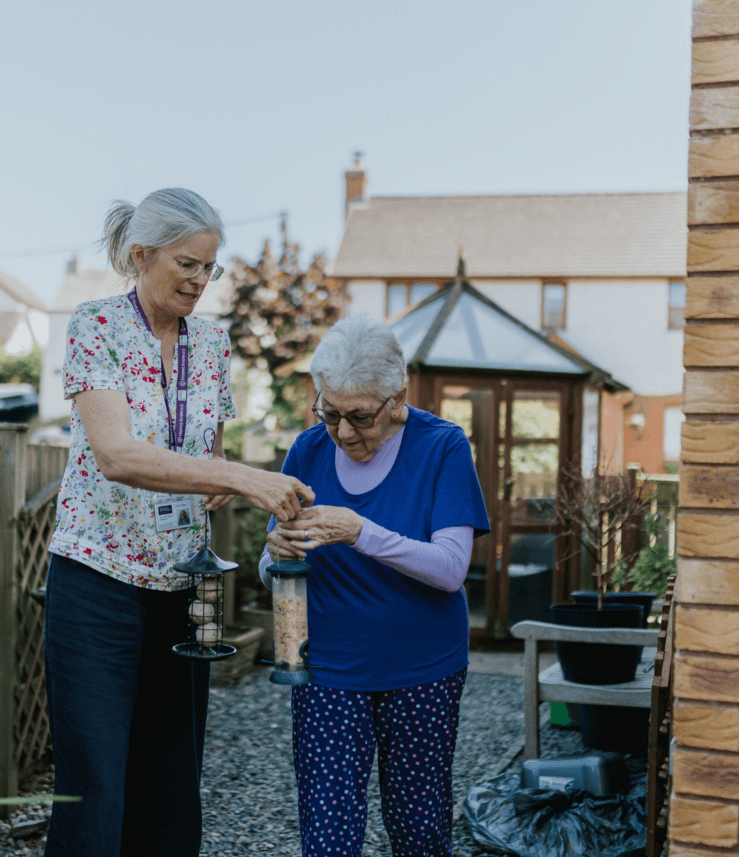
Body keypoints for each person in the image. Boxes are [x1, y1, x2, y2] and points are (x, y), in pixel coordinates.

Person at [44, 188, 314, 857]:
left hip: (182, 593)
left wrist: (220, 479)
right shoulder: (96, 325)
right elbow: (117, 455)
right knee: (97, 785)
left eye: (209, 267)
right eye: (186, 263)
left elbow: (206, 454)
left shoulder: (214, 345)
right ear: (142, 255)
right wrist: (241, 478)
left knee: (171, 786)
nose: (198, 279)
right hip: (96, 586)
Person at [260, 314, 490, 857]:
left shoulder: (443, 448)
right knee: (330, 831)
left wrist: (360, 532)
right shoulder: (307, 451)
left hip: (422, 669)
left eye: (359, 416)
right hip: (326, 669)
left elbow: (451, 568)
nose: (342, 431)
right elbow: (273, 568)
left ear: (396, 399)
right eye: (330, 411)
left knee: (418, 827)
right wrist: (272, 556)